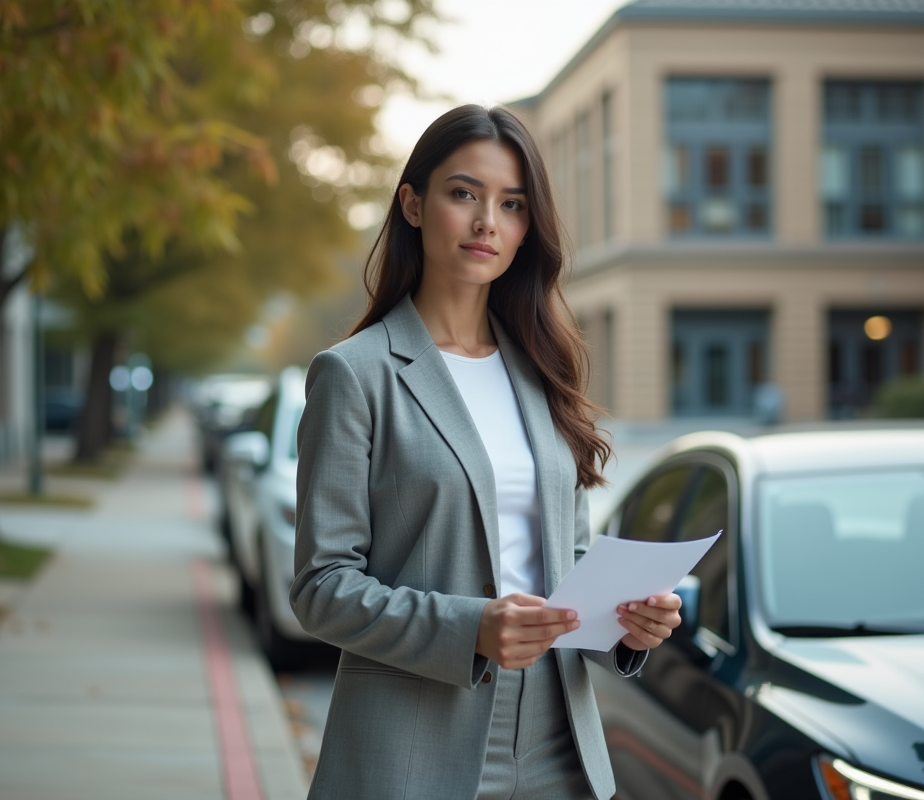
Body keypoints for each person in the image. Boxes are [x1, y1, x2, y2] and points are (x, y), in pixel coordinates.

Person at [291, 105, 683, 800]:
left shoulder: (542, 372)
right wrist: (471, 628)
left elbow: (568, 565)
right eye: (464, 194)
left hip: (560, 746)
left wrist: (628, 623)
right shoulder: (355, 374)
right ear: (413, 204)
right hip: (412, 750)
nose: (487, 224)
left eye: (512, 204)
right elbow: (322, 589)